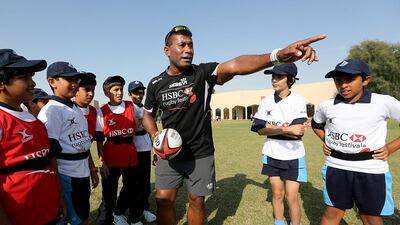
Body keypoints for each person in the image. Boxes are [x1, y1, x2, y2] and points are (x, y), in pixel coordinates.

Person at [142, 25, 325, 225]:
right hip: (169, 155)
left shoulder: (202, 73)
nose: (188, 50)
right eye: (182, 45)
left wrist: (278, 55)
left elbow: (236, 65)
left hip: (199, 153)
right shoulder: (155, 83)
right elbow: (148, 115)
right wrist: (155, 137)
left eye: (191, 45)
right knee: (163, 200)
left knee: (196, 202)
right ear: (167, 50)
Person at [311, 59, 400, 225]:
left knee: (370, 217)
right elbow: (315, 124)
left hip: (371, 169)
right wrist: (326, 139)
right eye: (338, 80)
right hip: (336, 167)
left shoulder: (384, 102)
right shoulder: (327, 105)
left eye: (350, 79)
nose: (343, 85)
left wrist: (390, 148)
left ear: (366, 80)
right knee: (332, 213)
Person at [0, 49, 64, 225]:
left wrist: (59, 197)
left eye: (31, 76)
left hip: (47, 210)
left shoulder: (34, 120)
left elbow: (49, 163)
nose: (33, 83)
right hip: (19, 216)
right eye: (24, 78)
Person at [251, 63, 307, 225]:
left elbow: (298, 132)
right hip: (271, 152)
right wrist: (285, 129)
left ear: (289, 80)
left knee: (291, 196)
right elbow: (258, 128)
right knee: (277, 193)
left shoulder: (299, 100)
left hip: (294, 154)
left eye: (279, 77)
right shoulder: (266, 101)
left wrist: (270, 127)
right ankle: (279, 222)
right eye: (273, 76)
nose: (274, 80)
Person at [38, 61, 93, 225]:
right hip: (67, 175)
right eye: (69, 80)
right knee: (74, 218)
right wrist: (58, 188)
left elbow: (83, 141)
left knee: (82, 214)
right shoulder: (52, 111)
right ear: (52, 82)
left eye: (77, 80)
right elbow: (50, 153)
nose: (75, 84)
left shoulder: (75, 108)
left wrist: (91, 167)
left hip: (82, 172)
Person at [95, 76, 142, 225]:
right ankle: (105, 220)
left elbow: (140, 122)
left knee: (132, 188)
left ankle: (129, 216)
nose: (119, 92)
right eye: (115, 89)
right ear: (107, 92)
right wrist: (102, 162)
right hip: (111, 156)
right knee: (109, 193)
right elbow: (99, 140)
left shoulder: (130, 106)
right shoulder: (101, 111)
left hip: (130, 154)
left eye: (121, 89)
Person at [127, 80, 157, 223]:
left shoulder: (146, 108)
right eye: (136, 93)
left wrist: (155, 149)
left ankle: (144, 209)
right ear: (130, 94)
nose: (139, 95)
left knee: (145, 183)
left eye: (141, 92)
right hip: (134, 148)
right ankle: (134, 214)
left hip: (145, 146)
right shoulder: (128, 108)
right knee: (135, 184)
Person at [74, 72, 100, 190]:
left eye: (93, 90)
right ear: (76, 89)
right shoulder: (67, 110)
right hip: (68, 170)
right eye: (86, 89)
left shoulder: (94, 111)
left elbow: (84, 146)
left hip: (84, 166)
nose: (91, 94)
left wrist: (93, 168)